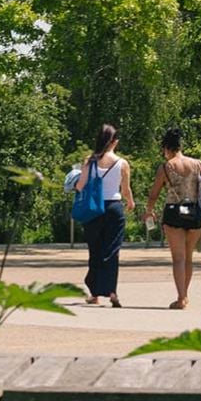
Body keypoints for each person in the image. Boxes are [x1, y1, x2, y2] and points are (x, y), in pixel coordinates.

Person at [144, 128, 201, 309]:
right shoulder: (197, 164)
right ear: (180, 146)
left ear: (166, 148)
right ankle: (185, 295)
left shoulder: (166, 167)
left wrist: (149, 211)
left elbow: (154, 194)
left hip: (174, 212)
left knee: (178, 259)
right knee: (188, 258)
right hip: (195, 213)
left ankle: (181, 298)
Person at [75, 124, 134, 307]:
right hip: (114, 208)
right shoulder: (122, 163)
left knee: (95, 250)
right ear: (114, 141)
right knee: (112, 251)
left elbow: (80, 185)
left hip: (94, 208)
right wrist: (130, 202)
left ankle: (94, 294)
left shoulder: (89, 160)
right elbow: (125, 189)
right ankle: (112, 292)